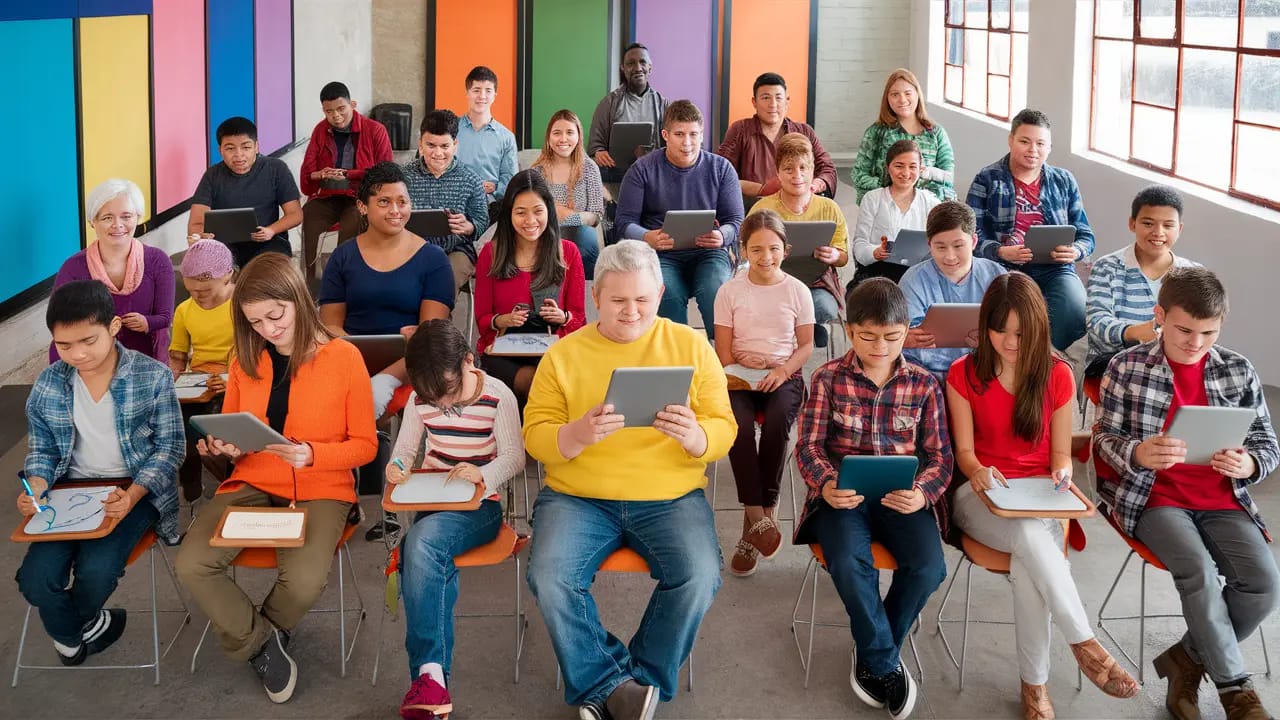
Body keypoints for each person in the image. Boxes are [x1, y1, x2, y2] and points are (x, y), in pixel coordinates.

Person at [524, 240, 734, 720]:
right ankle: (616, 685)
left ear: (660, 293)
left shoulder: (690, 347)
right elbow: (535, 435)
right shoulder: (564, 354)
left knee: (700, 575)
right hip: (578, 497)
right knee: (550, 576)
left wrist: (698, 438)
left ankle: (631, 682)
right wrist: (574, 435)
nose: (631, 312)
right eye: (618, 301)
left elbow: (724, 428)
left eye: (642, 300)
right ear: (596, 295)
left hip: (669, 496)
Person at [175, 252, 378, 705]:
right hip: (252, 479)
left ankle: (256, 637)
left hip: (322, 484)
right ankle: (263, 644)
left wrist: (313, 455)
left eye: (275, 314)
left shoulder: (345, 357)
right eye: (255, 321)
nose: (267, 328)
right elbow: (237, 427)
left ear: (299, 299)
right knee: (192, 562)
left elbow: (366, 446)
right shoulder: (244, 357)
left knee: (304, 581)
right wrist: (224, 446)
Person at [946, 273, 1137, 719]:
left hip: (1038, 500)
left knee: (1030, 562)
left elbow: (1060, 456)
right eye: (1000, 330)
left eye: (1021, 332)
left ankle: (1036, 689)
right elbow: (966, 454)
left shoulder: (1057, 375)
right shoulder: (962, 374)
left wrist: (1062, 473)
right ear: (985, 325)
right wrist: (977, 472)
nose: (1010, 342)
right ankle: (1083, 644)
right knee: (1033, 541)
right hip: (980, 497)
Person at [1094, 267, 1280, 720]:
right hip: (1154, 498)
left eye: (1208, 333)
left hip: (1223, 500)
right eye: (1184, 330)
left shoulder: (1237, 369)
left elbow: (1268, 444)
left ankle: (1185, 661)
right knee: (1197, 570)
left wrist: (1250, 463)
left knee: (1264, 584)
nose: (1196, 343)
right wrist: (1138, 452)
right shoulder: (1127, 366)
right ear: (1159, 316)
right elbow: (1101, 439)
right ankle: (1238, 694)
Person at [794, 278, 952, 720]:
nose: (879, 347)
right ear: (847, 329)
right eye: (867, 336)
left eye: (892, 337)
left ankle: (873, 650)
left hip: (903, 498)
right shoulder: (827, 377)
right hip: (842, 498)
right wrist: (826, 483)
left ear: (906, 330)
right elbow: (808, 445)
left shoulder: (923, 384)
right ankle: (884, 662)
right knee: (848, 561)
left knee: (928, 568)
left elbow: (940, 456)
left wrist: (922, 494)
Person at [16, 280, 183, 668]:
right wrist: (37, 486)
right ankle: (85, 627)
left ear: (113, 328)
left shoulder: (152, 376)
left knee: (97, 569)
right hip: (69, 490)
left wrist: (134, 495)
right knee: (35, 580)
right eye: (64, 345)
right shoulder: (49, 383)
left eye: (88, 341)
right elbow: (42, 449)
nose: (76, 354)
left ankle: (69, 633)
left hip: (132, 489)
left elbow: (171, 448)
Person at [386, 319, 524, 720]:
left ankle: (427, 676)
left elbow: (515, 456)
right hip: (431, 495)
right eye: (434, 400)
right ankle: (433, 685)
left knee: (421, 547)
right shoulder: (422, 398)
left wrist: (483, 474)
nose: (443, 407)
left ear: (469, 361)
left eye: (448, 395)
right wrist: (396, 467)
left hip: (480, 503)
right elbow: (405, 450)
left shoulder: (497, 395)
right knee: (426, 551)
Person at [713, 211, 813, 577]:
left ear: (785, 250)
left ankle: (756, 519)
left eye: (773, 249)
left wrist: (781, 371)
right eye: (756, 249)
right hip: (737, 377)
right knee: (737, 424)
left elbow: (806, 346)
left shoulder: (797, 290)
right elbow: (723, 351)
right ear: (742, 251)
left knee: (775, 424)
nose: (765, 257)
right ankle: (758, 516)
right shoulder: (729, 291)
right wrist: (741, 373)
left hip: (782, 375)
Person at [319, 161, 455, 420]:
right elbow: (330, 326)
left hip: (412, 362)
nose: (395, 210)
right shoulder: (342, 257)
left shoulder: (433, 259)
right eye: (384, 202)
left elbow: (431, 336)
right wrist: (356, 368)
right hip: (351, 359)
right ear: (362, 207)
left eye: (402, 202)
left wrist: (385, 380)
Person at [967, 109, 1094, 352]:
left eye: (1040, 143)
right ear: (1011, 140)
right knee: (1007, 316)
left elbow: (1086, 235)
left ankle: (1043, 361)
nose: (1032, 150)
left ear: (1049, 147)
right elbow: (972, 235)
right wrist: (1000, 252)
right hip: (1005, 268)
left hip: (1055, 268)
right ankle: (1012, 360)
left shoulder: (1064, 180)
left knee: (1074, 307)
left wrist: (1075, 251)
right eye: (1024, 141)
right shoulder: (987, 179)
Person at [615, 100, 743, 338]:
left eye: (694, 134)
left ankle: (723, 362)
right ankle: (679, 358)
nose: (687, 143)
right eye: (679, 134)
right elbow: (623, 222)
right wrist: (646, 237)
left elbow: (735, 220)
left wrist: (721, 236)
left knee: (715, 288)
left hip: (709, 252)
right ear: (665, 135)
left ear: (702, 134)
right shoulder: (642, 169)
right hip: (661, 254)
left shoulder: (721, 168)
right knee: (668, 293)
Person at [474, 170, 586, 408]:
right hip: (502, 349)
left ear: (548, 211)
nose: (530, 221)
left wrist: (562, 316)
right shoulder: (491, 254)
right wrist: (504, 320)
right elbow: (483, 322)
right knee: (533, 381)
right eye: (520, 212)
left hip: (552, 348)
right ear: (509, 215)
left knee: (543, 378)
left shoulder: (569, 253)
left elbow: (579, 319)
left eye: (538, 211)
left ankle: (527, 441)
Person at [53, 179, 174, 364]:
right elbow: (60, 324)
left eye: (126, 216)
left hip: (147, 361)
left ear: (138, 217)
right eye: (107, 218)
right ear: (93, 222)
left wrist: (147, 322)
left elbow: (165, 317)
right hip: (90, 363)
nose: (117, 225)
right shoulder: (73, 268)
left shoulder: (158, 260)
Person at [1085, 185, 1199, 378]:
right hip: (1113, 367)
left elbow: (1200, 327)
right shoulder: (1107, 267)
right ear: (1132, 224)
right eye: (1148, 223)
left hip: (1171, 368)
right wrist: (1135, 332)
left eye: (1168, 225)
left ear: (1179, 229)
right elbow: (1096, 321)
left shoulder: (1193, 274)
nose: (1158, 232)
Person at [748, 133, 849, 348]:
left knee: (823, 308)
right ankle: (805, 332)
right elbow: (744, 251)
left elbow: (843, 257)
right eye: (788, 169)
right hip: (771, 282)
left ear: (812, 171)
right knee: (775, 306)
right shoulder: (762, 209)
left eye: (803, 168)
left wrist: (834, 255)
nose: (797, 176)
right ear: (778, 173)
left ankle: (797, 331)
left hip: (815, 282)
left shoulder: (829, 208)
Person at [900, 201, 1007, 380]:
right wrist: (904, 338)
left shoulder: (996, 275)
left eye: (958, 246)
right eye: (940, 247)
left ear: (973, 241)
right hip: (927, 374)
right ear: (929, 244)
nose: (950, 257)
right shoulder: (913, 280)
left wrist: (992, 339)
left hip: (985, 367)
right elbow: (903, 335)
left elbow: (1012, 326)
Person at [299, 81, 394, 280]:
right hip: (328, 195)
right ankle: (311, 286)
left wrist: (348, 174)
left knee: (353, 221)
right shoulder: (320, 130)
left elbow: (386, 174)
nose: (336, 116)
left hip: (361, 197)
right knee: (308, 214)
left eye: (341, 108)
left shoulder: (375, 130)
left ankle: (345, 281)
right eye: (329, 111)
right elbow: (306, 181)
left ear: (353, 104)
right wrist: (321, 174)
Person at [169, 239, 236, 501]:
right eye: (191, 290)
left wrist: (231, 379)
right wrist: (170, 381)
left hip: (234, 381)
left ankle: (233, 484)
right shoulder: (184, 310)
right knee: (181, 431)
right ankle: (191, 489)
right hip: (197, 384)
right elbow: (178, 356)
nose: (198, 296)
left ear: (227, 275)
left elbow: (256, 355)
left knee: (219, 433)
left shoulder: (243, 305)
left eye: (205, 290)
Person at [189, 116, 303, 269]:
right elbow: (196, 223)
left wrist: (271, 230)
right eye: (230, 148)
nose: (238, 154)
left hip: (269, 242)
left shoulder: (276, 169)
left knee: (265, 276)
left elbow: (295, 214)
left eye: (246, 147)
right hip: (225, 245)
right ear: (220, 150)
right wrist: (202, 236)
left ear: (256, 147)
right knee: (207, 270)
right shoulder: (212, 175)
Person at [402, 109, 490, 293]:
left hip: (457, 250)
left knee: (442, 284)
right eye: (431, 145)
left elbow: (482, 220)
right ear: (420, 144)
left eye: (444, 146)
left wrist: (470, 227)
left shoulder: (471, 179)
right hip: (411, 248)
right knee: (404, 284)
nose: (438, 153)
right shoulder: (403, 177)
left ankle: (436, 322)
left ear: (455, 145)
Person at [716, 72, 837, 200]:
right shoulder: (740, 130)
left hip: (797, 204)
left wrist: (814, 185)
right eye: (765, 97)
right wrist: (762, 189)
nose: (773, 104)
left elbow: (827, 169)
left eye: (778, 97)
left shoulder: (804, 132)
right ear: (754, 102)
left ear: (787, 101)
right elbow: (720, 173)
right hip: (753, 207)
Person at [851, 69, 955, 203]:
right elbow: (859, 175)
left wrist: (923, 196)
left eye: (908, 93)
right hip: (884, 206)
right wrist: (891, 190)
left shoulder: (936, 134)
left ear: (917, 94)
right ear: (887, 99)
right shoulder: (876, 132)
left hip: (928, 209)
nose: (902, 99)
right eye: (895, 94)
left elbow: (947, 179)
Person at [851, 139, 940, 287]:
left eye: (912, 167)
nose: (906, 173)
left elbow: (939, 244)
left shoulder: (931, 202)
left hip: (917, 275)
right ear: (887, 167)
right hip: (877, 273)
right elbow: (859, 247)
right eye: (899, 166)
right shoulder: (873, 198)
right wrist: (876, 252)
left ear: (921, 169)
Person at [529, 109, 606, 278]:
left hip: (580, 233)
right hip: (544, 231)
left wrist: (566, 215)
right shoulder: (536, 172)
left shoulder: (589, 168)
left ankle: (582, 295)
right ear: (549, 138)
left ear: (578, 136)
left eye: (569, 132)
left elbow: (595, 216)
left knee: (587, 240)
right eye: (557, 133)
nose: (563, 139)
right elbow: (531, 211)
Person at [588, 42, 670, 185]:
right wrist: (599, 152)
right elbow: (595, 146)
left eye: (642, 62)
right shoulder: (608, 103)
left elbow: (671, 142)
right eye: (631, 63)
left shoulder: (662, 104)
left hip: (653, 173)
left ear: (650, 67)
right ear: (623, 69)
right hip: (617, 174)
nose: (638, 68)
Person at [455, 65, 519, 206]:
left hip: (491, 205)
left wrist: (495, 189)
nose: (482, 96)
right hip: (454, 201)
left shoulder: (506, 137)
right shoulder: (452, 129)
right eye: (476, 90)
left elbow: (510, 179)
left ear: (495, 96)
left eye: (488, 91)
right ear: (467, 93)